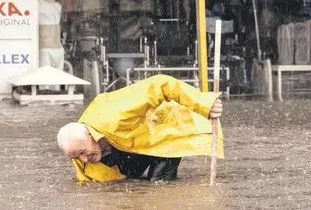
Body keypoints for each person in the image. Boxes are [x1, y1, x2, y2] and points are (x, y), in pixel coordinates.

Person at [57, 74, 224, 182]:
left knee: (158, 186)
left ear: (89, 135)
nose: (84, 160)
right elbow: (88, 183)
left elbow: (161, 84)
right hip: (128, 148)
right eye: (76, 157)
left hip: (162, 131)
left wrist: (203, 104)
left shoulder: (113, 113)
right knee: (131, 187)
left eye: (83, 152)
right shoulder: (77, 150)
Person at [38, 0, 65, 91]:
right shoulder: (38, 5)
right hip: (45, 46)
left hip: (57, 47)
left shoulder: (58, 6)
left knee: (57, 83)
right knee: (45, 82)